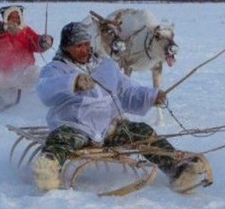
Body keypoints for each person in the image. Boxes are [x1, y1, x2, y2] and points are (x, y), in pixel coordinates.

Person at [33, 21, 206, 193]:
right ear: (66, 47)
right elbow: (45, 90)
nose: (84, 50)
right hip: (75, 124)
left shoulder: (106, 66)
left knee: (143, 132)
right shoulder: (55, 69)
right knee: (62, 139)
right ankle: (47, 169)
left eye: (87, 44)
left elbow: (127, 90)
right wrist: (73, 82)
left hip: (109, 126)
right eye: (79, 46)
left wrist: (152, 96)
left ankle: (176, 169)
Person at [0, 5, 53, 110]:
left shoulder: (26, 31)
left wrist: (43, 42)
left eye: (17, 17)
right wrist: (3, 28)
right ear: (5, 17)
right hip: (1, 76)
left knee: (37, 71)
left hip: (22, 75)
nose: (15, 20)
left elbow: (36, 42)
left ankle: (47, 96)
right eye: (11, 17)